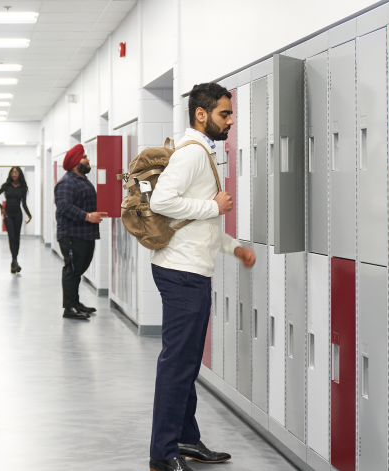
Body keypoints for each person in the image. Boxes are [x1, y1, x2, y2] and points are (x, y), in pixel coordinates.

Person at [146, 82, 256, 471]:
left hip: (190, 266)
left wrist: (233, 248)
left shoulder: (201, 152)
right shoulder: (192, 154)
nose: (230, 121)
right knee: (177, 364)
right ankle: (162, 452)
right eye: (225, 114)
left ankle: (187, 439)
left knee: (187, 363)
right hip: (182, 273)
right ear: (201, 114)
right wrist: (212, 204)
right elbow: (163, 203)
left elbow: (197, 224)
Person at [54, 144, 108, 321]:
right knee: (72, 270)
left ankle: (75, 303)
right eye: (85, 157)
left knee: (78, 269)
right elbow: (64, 206)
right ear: (76, 162)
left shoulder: (82, 180)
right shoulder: (67, 182)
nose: (88, 159)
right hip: (72, 234)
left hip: (85, 234)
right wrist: (87, 216)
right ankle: (69, 308)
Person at [0, 166, 32, 273]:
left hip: (18, 214)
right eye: (12, 173)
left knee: (17, 238)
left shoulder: (23, 188)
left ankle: (14, 261)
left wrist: (29, 214)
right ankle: (14, 261)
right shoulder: (6, 186)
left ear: (19, 174)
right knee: (12, 237)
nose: (14, 174)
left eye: (16, 172)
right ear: (10, 174)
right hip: (8, 214)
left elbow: (23, 203)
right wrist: (2, 208)